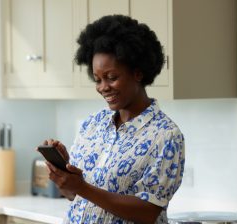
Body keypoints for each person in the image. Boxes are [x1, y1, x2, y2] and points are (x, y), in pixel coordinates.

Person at [42, 15, 185, 224]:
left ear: (138, 73)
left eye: (111, 77)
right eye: (97, 79)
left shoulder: (166, 135)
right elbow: (76, 197)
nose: (103, 87)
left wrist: (82, 187)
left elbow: (148, 212)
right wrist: (64, 175)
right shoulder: (92, 124)